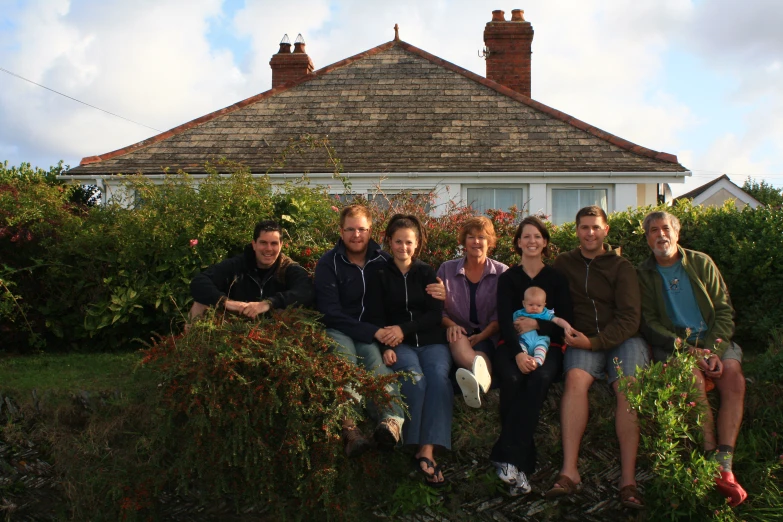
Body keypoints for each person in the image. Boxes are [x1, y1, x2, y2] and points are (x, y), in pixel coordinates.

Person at [637, 210, 747, 507]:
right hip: (675, 346)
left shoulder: (701, 262)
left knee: (734, 379)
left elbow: (723, 311)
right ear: (647, 238)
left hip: (713, 341)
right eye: (654, 230)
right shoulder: (643, 273)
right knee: (692, 380)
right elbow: (648, 322)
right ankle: (713, 464)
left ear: (677, 232)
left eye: (666, 229)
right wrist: (687, 350)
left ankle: (726, 461)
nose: (661, 235)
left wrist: (713, 350)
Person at [547, 206, 648, 510]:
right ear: (575, 231)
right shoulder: (564, 263)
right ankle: (569, 472)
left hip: (623, 339)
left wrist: (597, 342)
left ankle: (628, 481)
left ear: (606, 230)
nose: (590, 233)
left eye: (595, 227)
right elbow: (548, 299)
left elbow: (630, 318)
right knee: (575, 380)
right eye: (583, 227)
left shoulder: (622, 266)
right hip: (581, 336)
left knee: (627, 387)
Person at [489, 216, 573, 495]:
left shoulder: (557, 278)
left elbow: (566, 322)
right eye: (526, 236)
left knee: (540, 378)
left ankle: (505, 456)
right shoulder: (508, 278)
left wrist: (537, 324)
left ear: (545, 241)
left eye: (537, 236)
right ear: (518, 243)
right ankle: (521, 470)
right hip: (511, 346)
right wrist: (516, 354)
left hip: (548, 346)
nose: (532, 241)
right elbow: (504, 321)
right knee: (512, 380)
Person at [313, 205, 405, 457]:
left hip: (371, 333)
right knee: (346, 363)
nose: (356, 235)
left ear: (370, 230)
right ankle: (350, 429)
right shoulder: (328, 263)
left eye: (362, 229)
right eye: (350, 229)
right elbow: (330, 312)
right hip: (338, 329)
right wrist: (373, 333)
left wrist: (385, 342)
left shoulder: (384, 261)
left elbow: (397, 299)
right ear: (341, 232)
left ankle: (391, 423)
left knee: (378, 367)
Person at [372, 214, 453, 488]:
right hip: (399, 345)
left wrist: (404, 328)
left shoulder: (426, 272)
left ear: (416, 244)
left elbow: (434, 314)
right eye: (398, 242)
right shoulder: (380, 274)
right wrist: (384, 345)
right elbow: (376, 314)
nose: (403, 247)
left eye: (409, 242)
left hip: (431, 340)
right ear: (389, 242)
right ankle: (414, 443)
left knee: (439, 380)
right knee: (415, 380)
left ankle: (427, 450)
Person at [430, 216, 508, 408]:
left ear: (489, 241)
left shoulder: (502, 272)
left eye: (481, 237)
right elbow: (436, 309)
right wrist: (450, 324)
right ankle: (481, 381)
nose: (476, 241)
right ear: (464, 241)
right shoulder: (446, 269)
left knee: (481, 354)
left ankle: (476, 381)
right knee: (457, 337)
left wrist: (482, 335)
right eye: (471, 237)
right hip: (457, 332)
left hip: (489, 335)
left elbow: (503, 313)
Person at [190, 219, 313, 319]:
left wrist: (268, 304)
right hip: (235, 323)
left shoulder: (288, 268)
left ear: (281, 245)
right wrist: (227, 303)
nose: (268, 248)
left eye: (274, 243)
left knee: (298, 312)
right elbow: (199, 282)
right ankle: (190, 346)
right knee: (199, 305)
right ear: (254, 244)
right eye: (263, 243)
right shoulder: (237, 264)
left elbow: (306, 291)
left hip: (275, 330)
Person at [512, 286, 574, 367]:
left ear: (544, 305)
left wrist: (567, 326)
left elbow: (557, 320)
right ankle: (526, 362)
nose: (534, 308)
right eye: (531, 304)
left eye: (538, 305)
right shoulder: (519, 314)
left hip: (540, 340)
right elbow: (512, 325)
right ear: (524, 304)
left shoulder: (545, 314)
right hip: (524, 340)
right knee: (521, 349)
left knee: (541, 350)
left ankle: (536, 363)